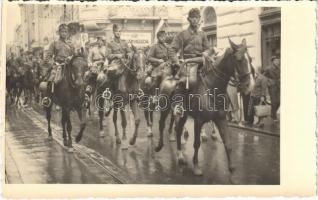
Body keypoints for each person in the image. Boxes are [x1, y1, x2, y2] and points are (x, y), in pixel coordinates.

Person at [169, 8, 209, 80]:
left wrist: (206, 53)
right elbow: (172, 50)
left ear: (199, 19)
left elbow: (207, 49)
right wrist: (177, 62)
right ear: (188, 19)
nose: (194, 20)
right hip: (187, 64)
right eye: (192, 17)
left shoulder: (202, 34)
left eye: (196, 17)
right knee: (190, 82)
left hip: (201, 63)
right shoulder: (182, 34)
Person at [41, 23, 75, 106]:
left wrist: (71, 58)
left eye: (66, 32)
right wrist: (53, 63)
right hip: (58, 65)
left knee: (78, 77)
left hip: (69, 65)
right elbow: (47, 57)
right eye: (62, 32)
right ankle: (48, 98)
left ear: (68, 33)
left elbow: (74, 55)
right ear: (59, 33)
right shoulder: (54, 43)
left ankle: (77, 98)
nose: (64, 33)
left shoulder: (70, 44)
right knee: (52, 77)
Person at [262, 54, 280, 122]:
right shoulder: (268, 68)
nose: (278, 62)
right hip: (272, 86)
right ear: (273, 61)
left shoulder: (279, 68)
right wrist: (268, 82)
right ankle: (274, 116)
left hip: (278, 86)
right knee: (274, 102)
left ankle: (272, 113)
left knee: (279, 101)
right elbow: (263, 77)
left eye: (278, 60)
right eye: (276, 60)